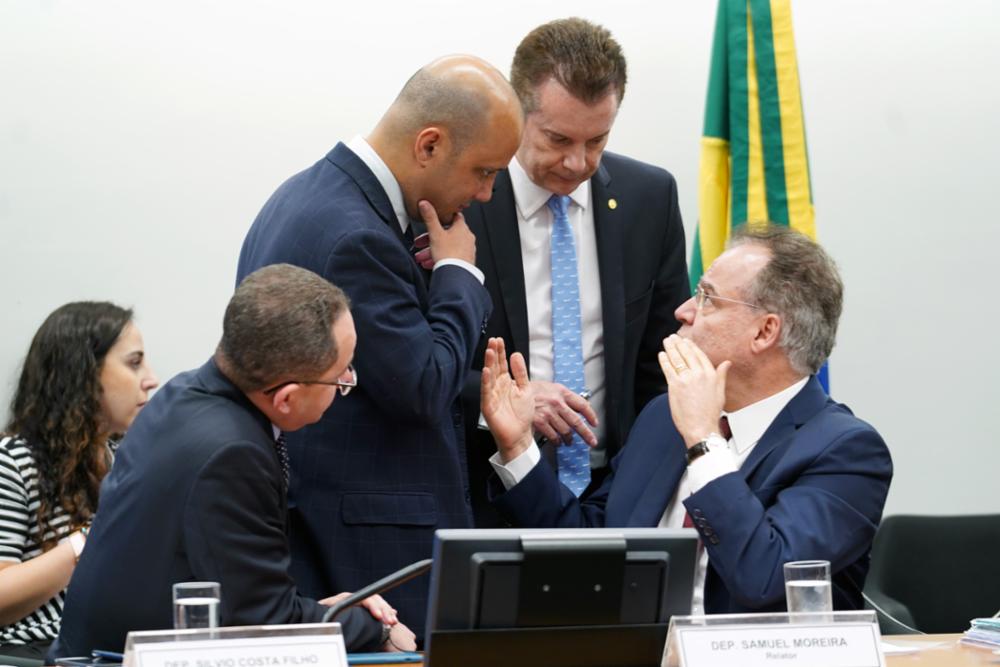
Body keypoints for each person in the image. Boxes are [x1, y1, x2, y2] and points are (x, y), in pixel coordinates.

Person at [236, 55, 523, 637]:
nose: (488, 194)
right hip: (371, 545)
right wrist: (457, 276)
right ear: (430, 145)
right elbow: (421, 387)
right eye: (485, 171)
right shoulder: (358, 237)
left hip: (334, 523)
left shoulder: (305, 193)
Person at [480, 224, 893, 614]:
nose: (682, 311)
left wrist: (703, 440)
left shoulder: (845, 451)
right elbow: (594, 545)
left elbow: (765, 577)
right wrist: (517, 449)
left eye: (707, 298)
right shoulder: (664, 417)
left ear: (765, 332)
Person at [48, 265, 416, 660]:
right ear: (286, 398)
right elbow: (266, 623)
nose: (347, 380)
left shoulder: (180, 394)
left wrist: (330, 612)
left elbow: (249, 602)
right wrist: (376, 628)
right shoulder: (233, 454)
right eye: (341, 374)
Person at [461, 18, 689, 525]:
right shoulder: (461, 203)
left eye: (597, 141)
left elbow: (663, 361)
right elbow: (423, 360)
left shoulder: (649, 199)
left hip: (618, 497)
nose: (577, 162)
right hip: (484, 491)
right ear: (516, 113)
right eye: (558, 138)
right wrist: (506, 401)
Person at [0, 302, 158, 660]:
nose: (151, 378)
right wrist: (86, 541)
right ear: (83, 375)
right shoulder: (13, 460)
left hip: (107, 649)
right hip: (31, 652)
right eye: (134, 363)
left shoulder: (124, 459)